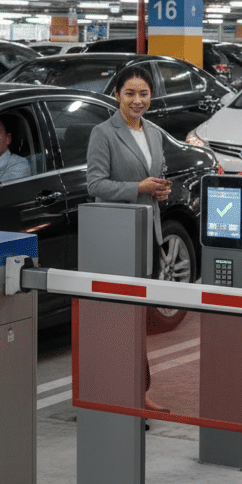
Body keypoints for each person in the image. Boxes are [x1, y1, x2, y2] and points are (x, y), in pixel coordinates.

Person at [86, 67, 172, 412]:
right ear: (117, 96)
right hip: (116, 236)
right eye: (130, 94)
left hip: (146, 230)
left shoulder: (154, 133)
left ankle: (139, 390)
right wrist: (138, 188)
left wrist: (160, 190)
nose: (137, 101)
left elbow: (156, 174)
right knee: (119, 316)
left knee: (139, 316)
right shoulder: (103, 133)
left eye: (144, 94)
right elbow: (95, 185)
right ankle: (121, 390)